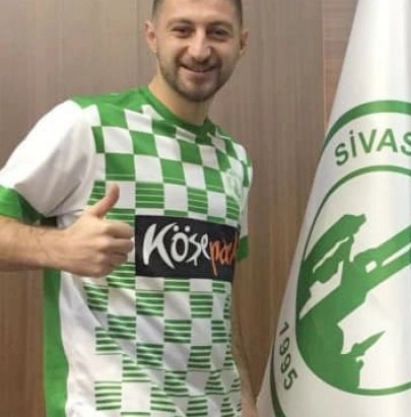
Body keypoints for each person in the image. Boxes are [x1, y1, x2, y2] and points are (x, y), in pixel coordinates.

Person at [0, 0, 257, 415]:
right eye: (182, 30)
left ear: (241, 43)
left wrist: (245, 402)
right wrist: (60, 248)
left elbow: (222, 303)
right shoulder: (87, 125)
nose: (199, 49)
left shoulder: (235, 161)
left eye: (217, 32)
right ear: (152, 36)